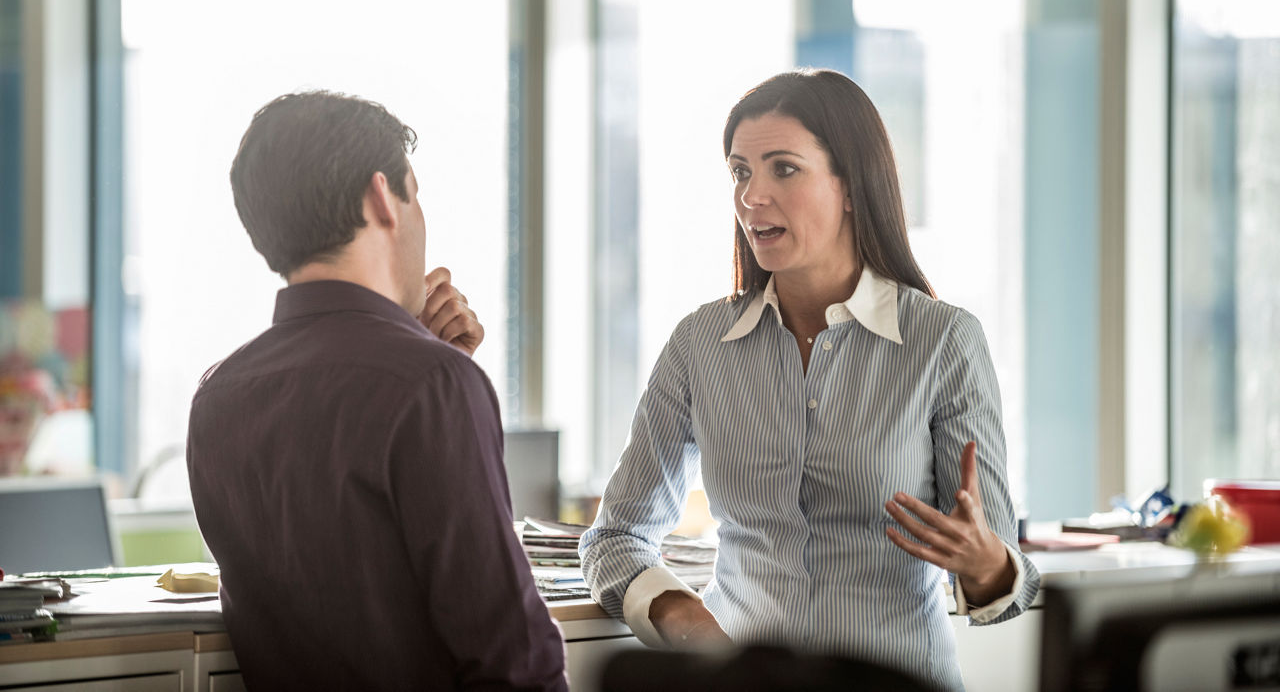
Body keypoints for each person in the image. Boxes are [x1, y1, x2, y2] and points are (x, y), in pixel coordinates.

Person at [579, 69, 1039, 692]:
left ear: (851, 185)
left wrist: (987, 564)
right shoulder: (699, 345)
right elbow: (616, 538)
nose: (751, 196)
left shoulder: (943, 342)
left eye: (782, 169)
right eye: (741, 172)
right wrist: (689, 622)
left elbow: (1004, 587)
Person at [188, 91, 567, 691]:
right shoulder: (432, 384)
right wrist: (442, 377)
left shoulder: (218, 396)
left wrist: (428, 361)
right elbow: (513, 660)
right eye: (416, 195)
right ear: (382, 198)